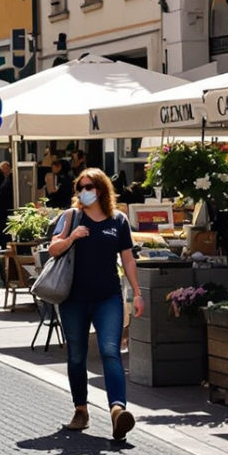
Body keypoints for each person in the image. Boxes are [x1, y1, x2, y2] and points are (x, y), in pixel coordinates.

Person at [47, 168, 142, 438]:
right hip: (73, 297)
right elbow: (53, 248)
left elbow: (128, 259)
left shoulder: (118, 220)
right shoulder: (70, 216)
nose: (84, 192)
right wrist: (72, 237)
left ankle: (117, 411)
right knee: (76, 354)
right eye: (80, 187)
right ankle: (81, 410)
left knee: (111, 351)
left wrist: (137, 292)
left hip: (107, 296)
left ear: (101, 189)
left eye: (89, 186)